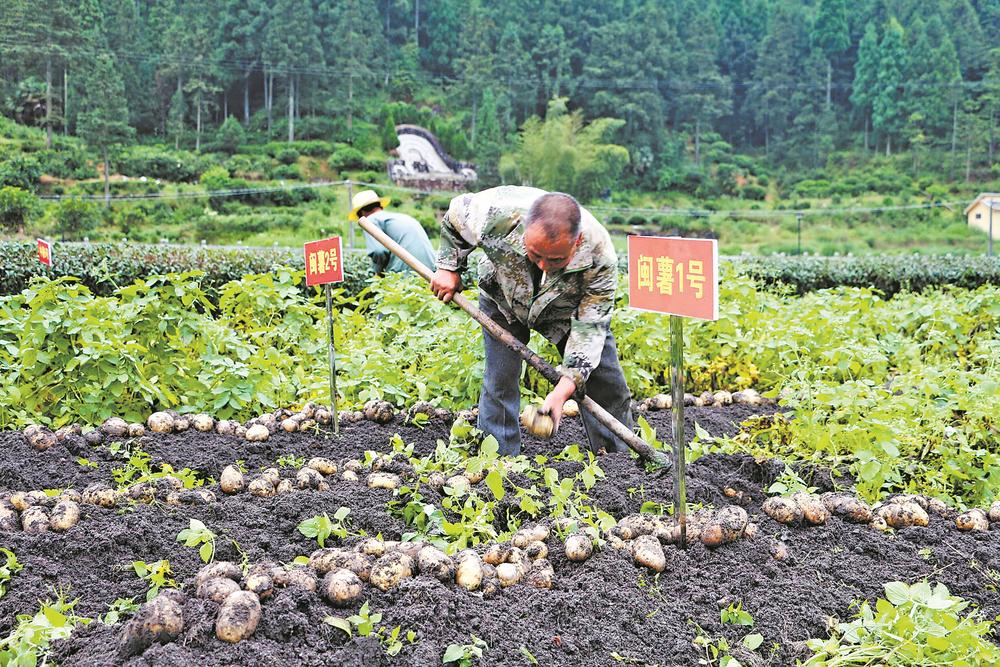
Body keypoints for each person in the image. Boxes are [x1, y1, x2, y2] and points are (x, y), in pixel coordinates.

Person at [430, 186, 633, 456]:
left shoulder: (600, 256)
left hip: (565, 312)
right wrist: (449, 267)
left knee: (606, 384)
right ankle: (499, 459)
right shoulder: (496, 214)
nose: (543, 266)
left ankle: (618, 460)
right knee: (500, 378)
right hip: (504, 296)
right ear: (524, 229)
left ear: (577, 241)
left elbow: (590, 330)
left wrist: (563, 390)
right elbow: (456, 214)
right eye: (535, 254)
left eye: (556, 259)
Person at [349, 189, 437, 275]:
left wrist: (378, 273)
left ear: (361, 214)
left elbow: (378, 251)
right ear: (381, 206)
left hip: (406, 275)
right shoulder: (402, 217)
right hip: (432, 272)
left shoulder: (370, 221)